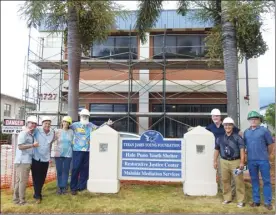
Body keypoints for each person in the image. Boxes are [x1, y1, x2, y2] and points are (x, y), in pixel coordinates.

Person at [70, 109, 113, 195]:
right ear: (80, 116)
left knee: (85, 169)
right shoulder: (75, 125)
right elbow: (66, 127)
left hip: (88, 151)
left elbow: (98, 128)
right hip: (77, 150)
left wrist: (106, 124)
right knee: (76, 168)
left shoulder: (90, 125)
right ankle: (73, 187)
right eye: (83, 116)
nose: (85, 117)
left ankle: (81, 186)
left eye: (86, 116)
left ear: (88, 117)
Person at [206, 108, 242, 195]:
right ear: (211, 117)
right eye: (214, 116)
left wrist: (240, 143)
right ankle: (224, 191)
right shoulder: (210, 127)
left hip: (231, 152)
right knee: (222, 173)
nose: (215, 117)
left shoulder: (226, 124)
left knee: (233, 174)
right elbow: (204, 134)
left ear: (220, 116)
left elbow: (240, 132)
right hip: (219, 151)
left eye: (217, 116)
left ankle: (232, 192)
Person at [244, 111, 274, 210]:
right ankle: (256, 201)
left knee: (266, 181)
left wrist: (267, 155)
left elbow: (270, 145)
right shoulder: (246, 132)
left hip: (263, 160)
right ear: (249, 120)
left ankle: (267, 202)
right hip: (251, 161)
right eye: (251, 119)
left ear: (259, 120)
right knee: (254, 181)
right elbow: (245, 146)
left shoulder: (264, 131)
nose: (253, 120)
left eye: (255, 119)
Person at [213, 117, 245, 208]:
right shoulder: (220, 138)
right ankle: (227, 198)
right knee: (225, 181)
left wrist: (242, 162)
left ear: (232, 126)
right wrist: (215, 161)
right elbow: (216, 150)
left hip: (236, 162)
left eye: (229, 125)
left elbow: (242, 150)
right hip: (223, 162)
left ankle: (241, 200)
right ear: (223, 126)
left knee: (238, 181)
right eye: (226, 125)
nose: (227, 127)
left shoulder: (238, 137)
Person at [13, 116, 39, 205]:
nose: (33, 125)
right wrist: (32, 145)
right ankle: (22, 201)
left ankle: (16, 200)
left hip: (24, 161)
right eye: (31, 123)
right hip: (23, 161)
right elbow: (20, 146)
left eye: (35, 124)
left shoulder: (30, 133)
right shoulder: (24, 133)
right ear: (27, 123)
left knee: (19, 181)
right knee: (23, 181)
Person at [31, 116, 55, 204]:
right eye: (45, 123)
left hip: (45, 159)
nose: (47, 125)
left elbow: (50, 144)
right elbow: (28, 131)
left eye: (49, 124)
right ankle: (38, 196)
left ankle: (37, 193)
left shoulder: (52, 132)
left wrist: (50, 157)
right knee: (36, 177)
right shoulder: (37, 130)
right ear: (42, 124)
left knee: (42, 178)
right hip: (36, 158)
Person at [51, 116, 74, 195]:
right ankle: (59, 187)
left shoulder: (71, 131)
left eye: (67, 122)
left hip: (68, 154)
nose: (65, 123)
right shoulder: (57, 131)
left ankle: (64, 188)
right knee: (59, 171)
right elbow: (51, 140)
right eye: (64, 122)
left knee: (66, 171)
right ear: (62, 122)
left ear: (69, 124)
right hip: (58, 154)